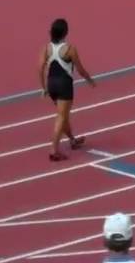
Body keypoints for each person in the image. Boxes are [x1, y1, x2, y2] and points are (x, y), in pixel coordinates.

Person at [38, 18, 95, 162]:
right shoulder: (70, 49)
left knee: (63, 115)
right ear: (65, 33)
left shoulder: (46, 48)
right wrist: (90, 80)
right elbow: (80, 70)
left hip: (52, 85)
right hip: (64, 85)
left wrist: (43, 87)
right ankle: (54, 150)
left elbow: (40, 68)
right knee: (61, 117)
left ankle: (72, 140)